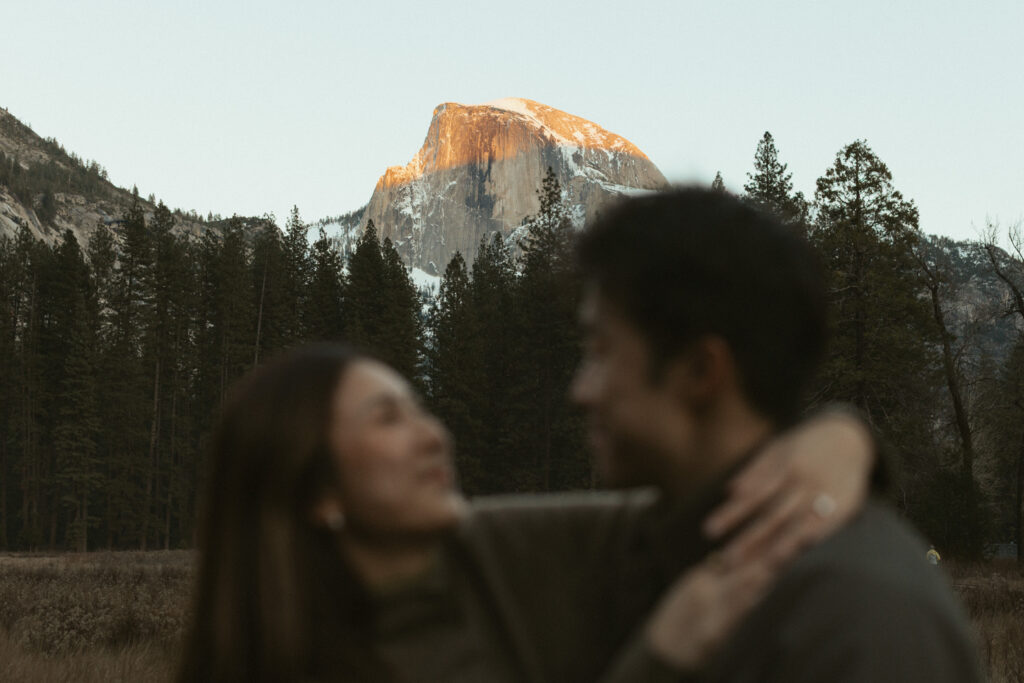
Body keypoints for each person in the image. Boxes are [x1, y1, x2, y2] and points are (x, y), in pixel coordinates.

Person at [177, 342, 875, 682]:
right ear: (316, 492)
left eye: (421, 407)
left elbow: (714, 514)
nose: (433, 434)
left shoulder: (504, 546)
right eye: (388, 418)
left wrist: (843, 439)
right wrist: (660, 657)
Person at [563, 187, 982, 681]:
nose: (580, 391)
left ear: (701, 371)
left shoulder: (862, 615)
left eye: (601, 351)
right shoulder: (650, 547)